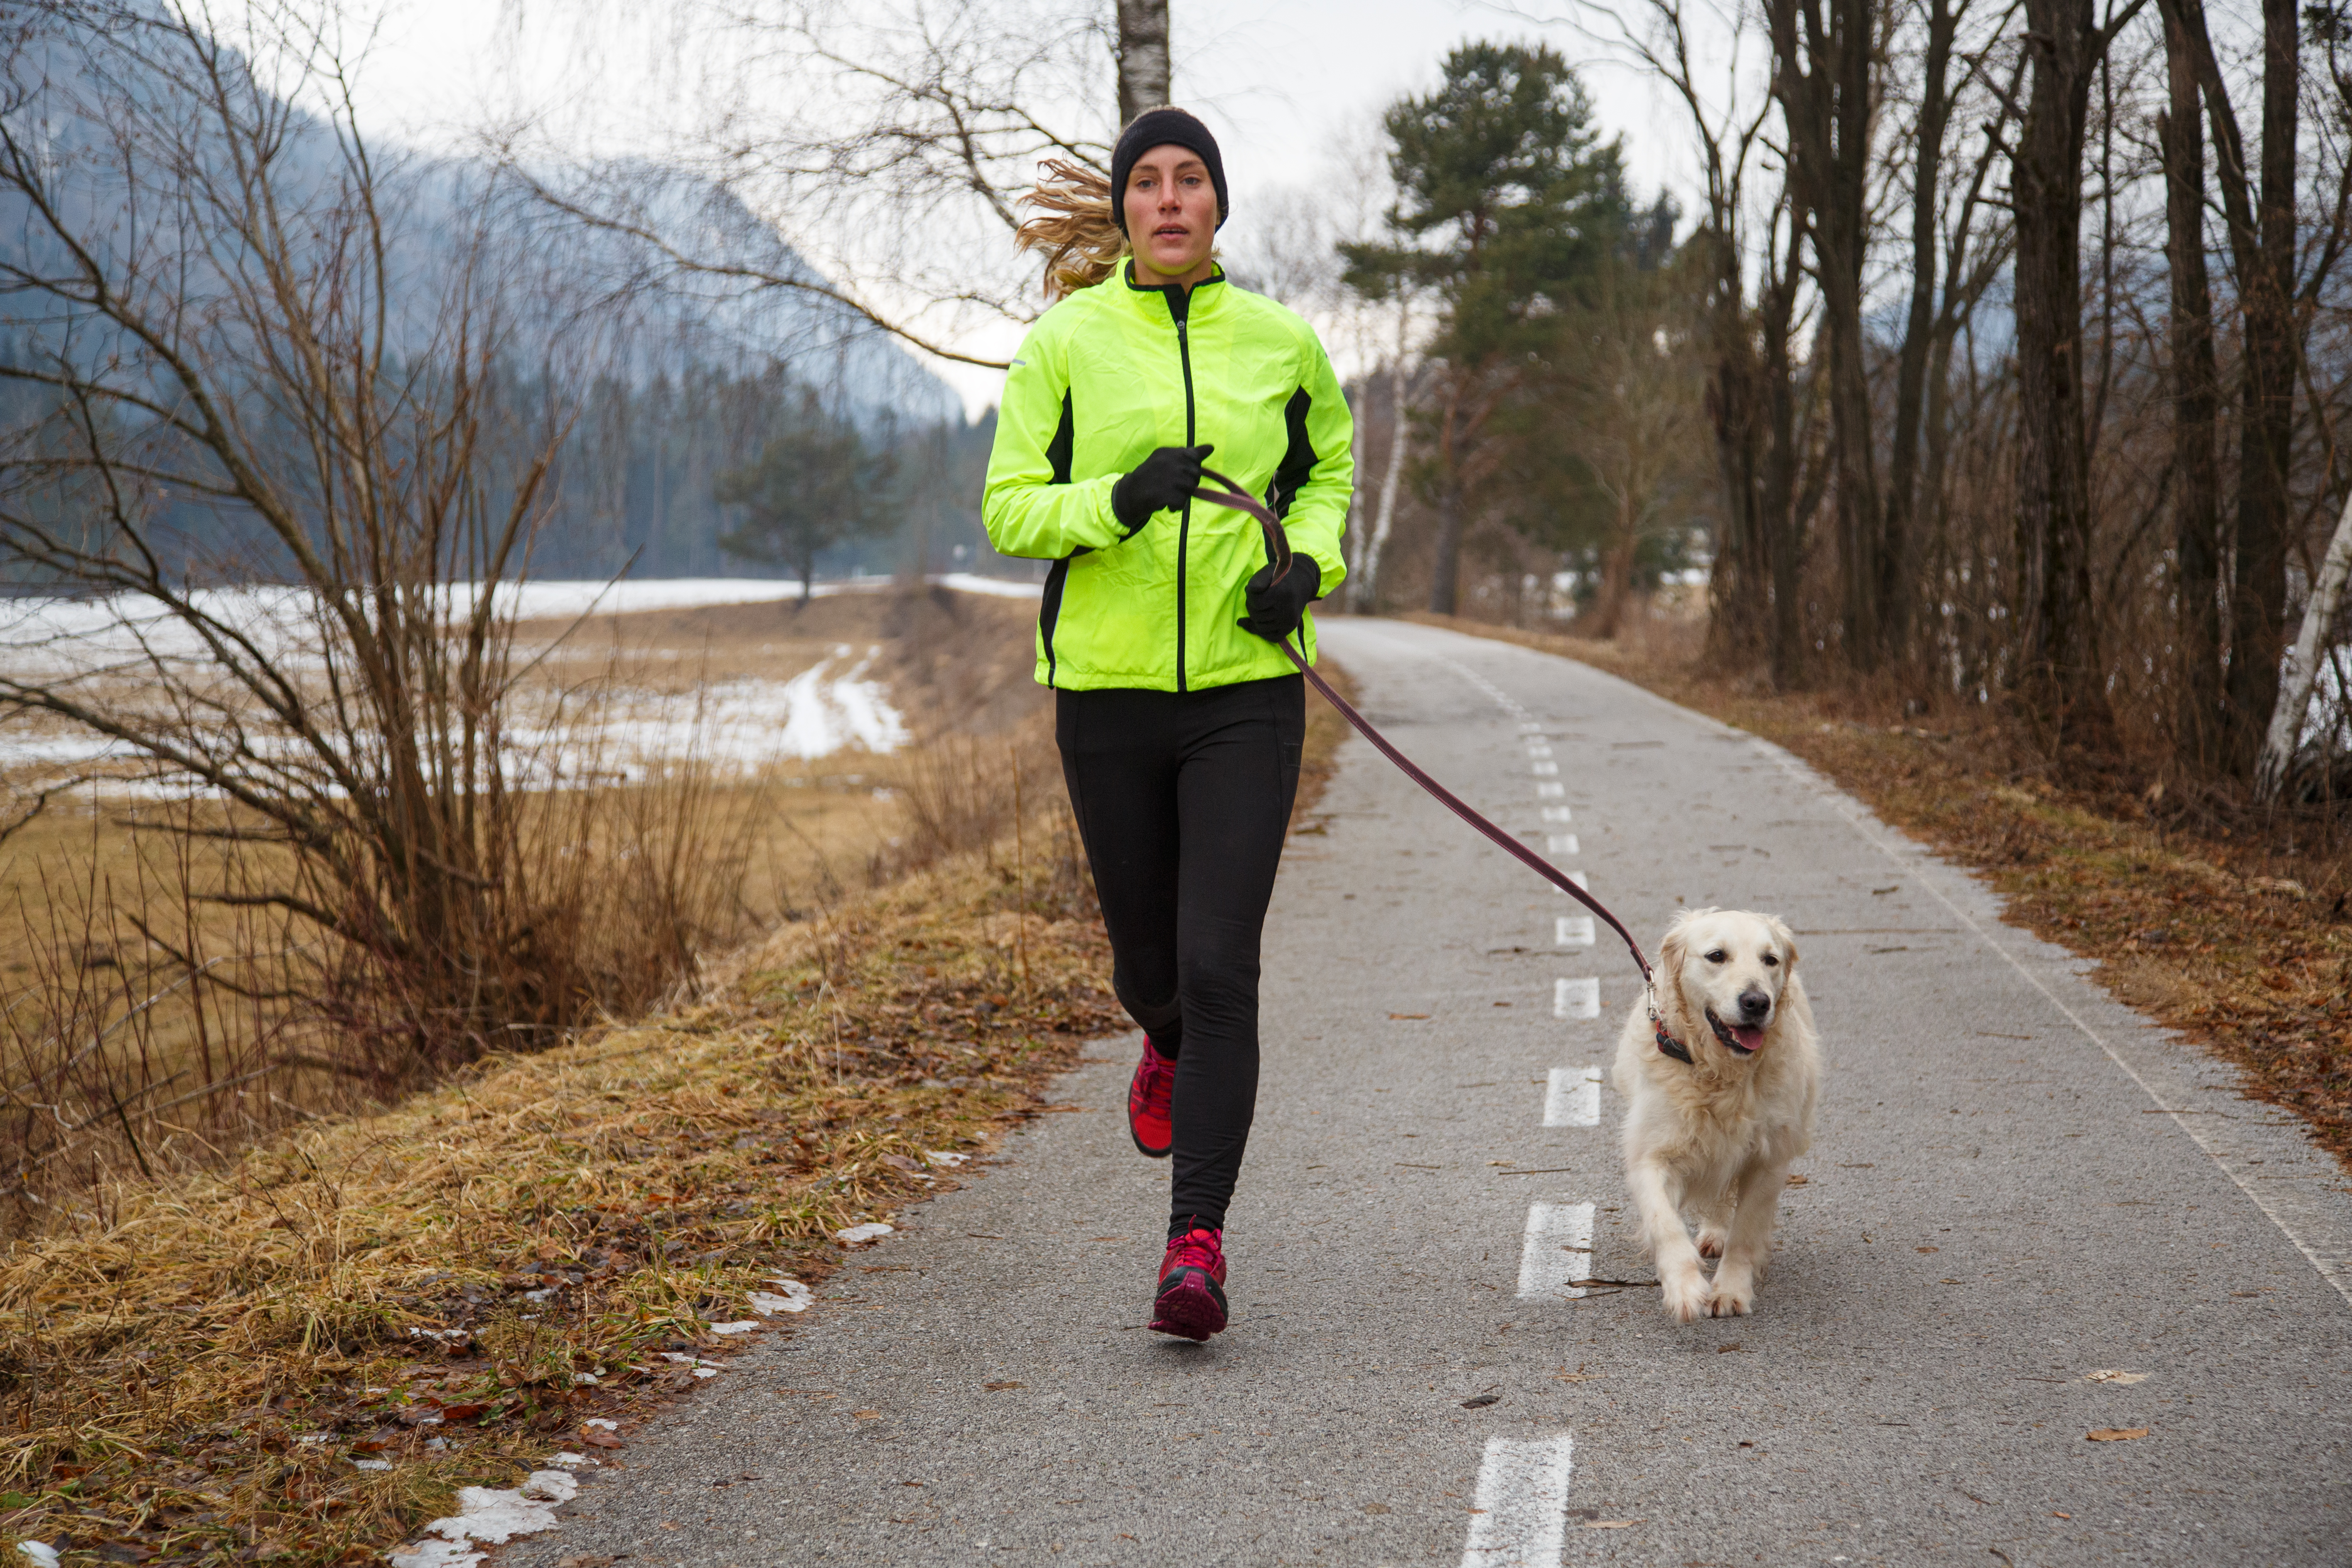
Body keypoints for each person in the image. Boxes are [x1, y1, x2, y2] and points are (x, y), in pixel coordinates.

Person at [981, 108, 1354, 1341]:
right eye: (1148, 181)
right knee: (1152, 973)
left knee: (1219, 966)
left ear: (1218, 204)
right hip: (1109, 694)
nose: (1171, 198)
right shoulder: (1065, 344)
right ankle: (1162, 1042)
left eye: (1192, 178)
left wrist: (1302, 569)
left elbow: (1329, 477)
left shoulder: (1284, 345)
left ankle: (1195, 1246)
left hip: (1247, 694)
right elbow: (1009, 511)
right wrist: (1117, 500)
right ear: (1124, 210)